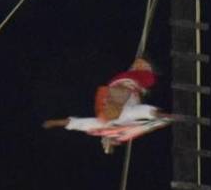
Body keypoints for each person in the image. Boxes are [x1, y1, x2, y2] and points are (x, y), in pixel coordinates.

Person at [43, 58, 171, 153]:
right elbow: (139, 111)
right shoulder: (125, 124)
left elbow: (77, 123)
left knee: (116, 111)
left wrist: (54, 123)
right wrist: (158, 116)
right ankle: (156, 112)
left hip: (121, 88)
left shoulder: (101, 124)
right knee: (139, 97)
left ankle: (141, 72)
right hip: (130, 91)